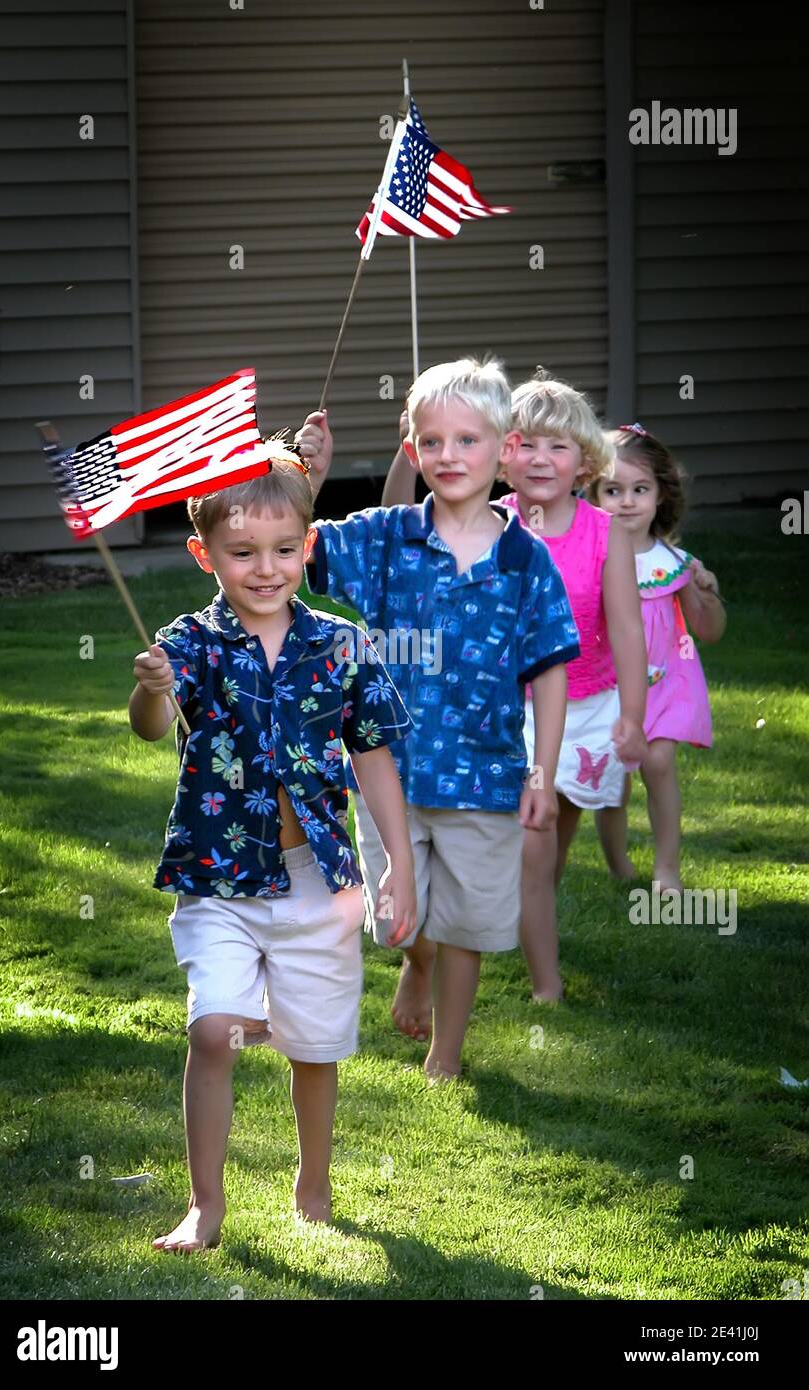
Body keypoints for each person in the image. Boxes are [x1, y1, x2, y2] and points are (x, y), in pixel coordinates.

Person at [129, 447, 416, 1250]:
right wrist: (150, 691)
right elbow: (153, 725)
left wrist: (400, 864)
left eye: (284, 550)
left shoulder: (341, 645)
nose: (265, 569)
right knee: (213, 1029)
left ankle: (314, 1180)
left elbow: (374, 757)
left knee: (314, 1045)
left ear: (308, 543)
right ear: (204, 553)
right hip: (219, 877)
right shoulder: (189, 645)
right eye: (242, 553)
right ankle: (205, 1205)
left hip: (317, 882)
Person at [296, 358, 579, 1078]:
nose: (449, 456)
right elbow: (289, 550)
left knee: (469, 924)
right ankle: (413, 965)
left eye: (468, 440)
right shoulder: (386, 539)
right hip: (385, 771)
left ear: (506, 449)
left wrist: (542, 772)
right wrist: (308, 479)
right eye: (433, 441)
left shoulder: (527, 562)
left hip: (485, 777)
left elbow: (548, 671)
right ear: (412, 448)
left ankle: (444, 1056)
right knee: (398, 924)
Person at [497, 371, 648, 1000]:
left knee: (554, 839)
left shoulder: (603, 531)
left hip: (587, 705)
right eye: (526, 442)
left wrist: (633, 716)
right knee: (532, 843)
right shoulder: (489, 523)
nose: (540, 458)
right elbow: (404, 515)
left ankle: (533, 919)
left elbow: (628, 628)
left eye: (558, 447)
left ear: (585, 462)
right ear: (504, 454)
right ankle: (547, 986)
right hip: (513, 707)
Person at [588, 423, 726, 891]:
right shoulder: (592, 557)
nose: (627, 501)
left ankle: (667, 870)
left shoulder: (674, 563)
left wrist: (708, 595)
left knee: (660, 763)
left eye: (639, 489)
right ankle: (619, 865)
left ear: (660, 495)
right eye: (613, 490)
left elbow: (708, 631)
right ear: (592, 494)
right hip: (609, 687)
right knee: (614, 783)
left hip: (666, 682)